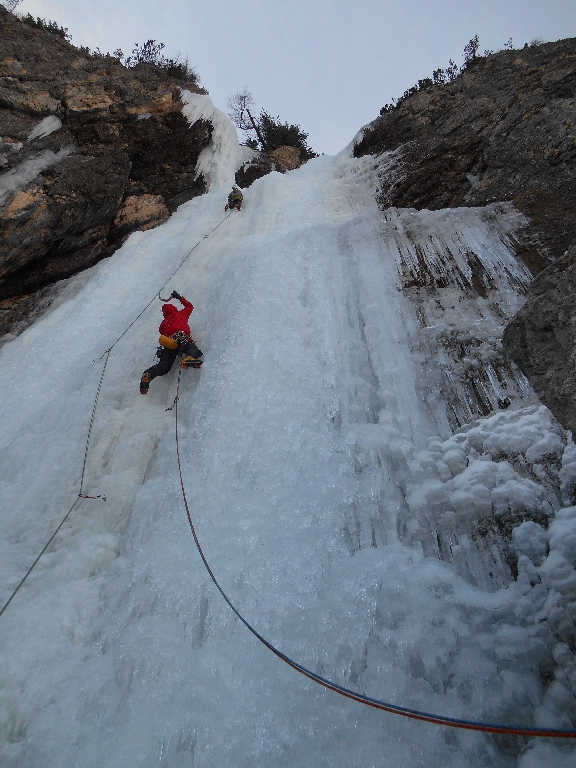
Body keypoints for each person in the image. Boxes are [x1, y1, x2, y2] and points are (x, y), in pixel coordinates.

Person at [140, 291, 203, 394]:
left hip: (168, 343)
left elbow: (162, 332)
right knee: (191, 348)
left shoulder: (163, 324)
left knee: (164, 366)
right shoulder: (179, 314)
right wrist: (179, 297)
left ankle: (148, 374)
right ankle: (189, 358)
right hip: (180, 336)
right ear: (174, 309)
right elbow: (190, 306)